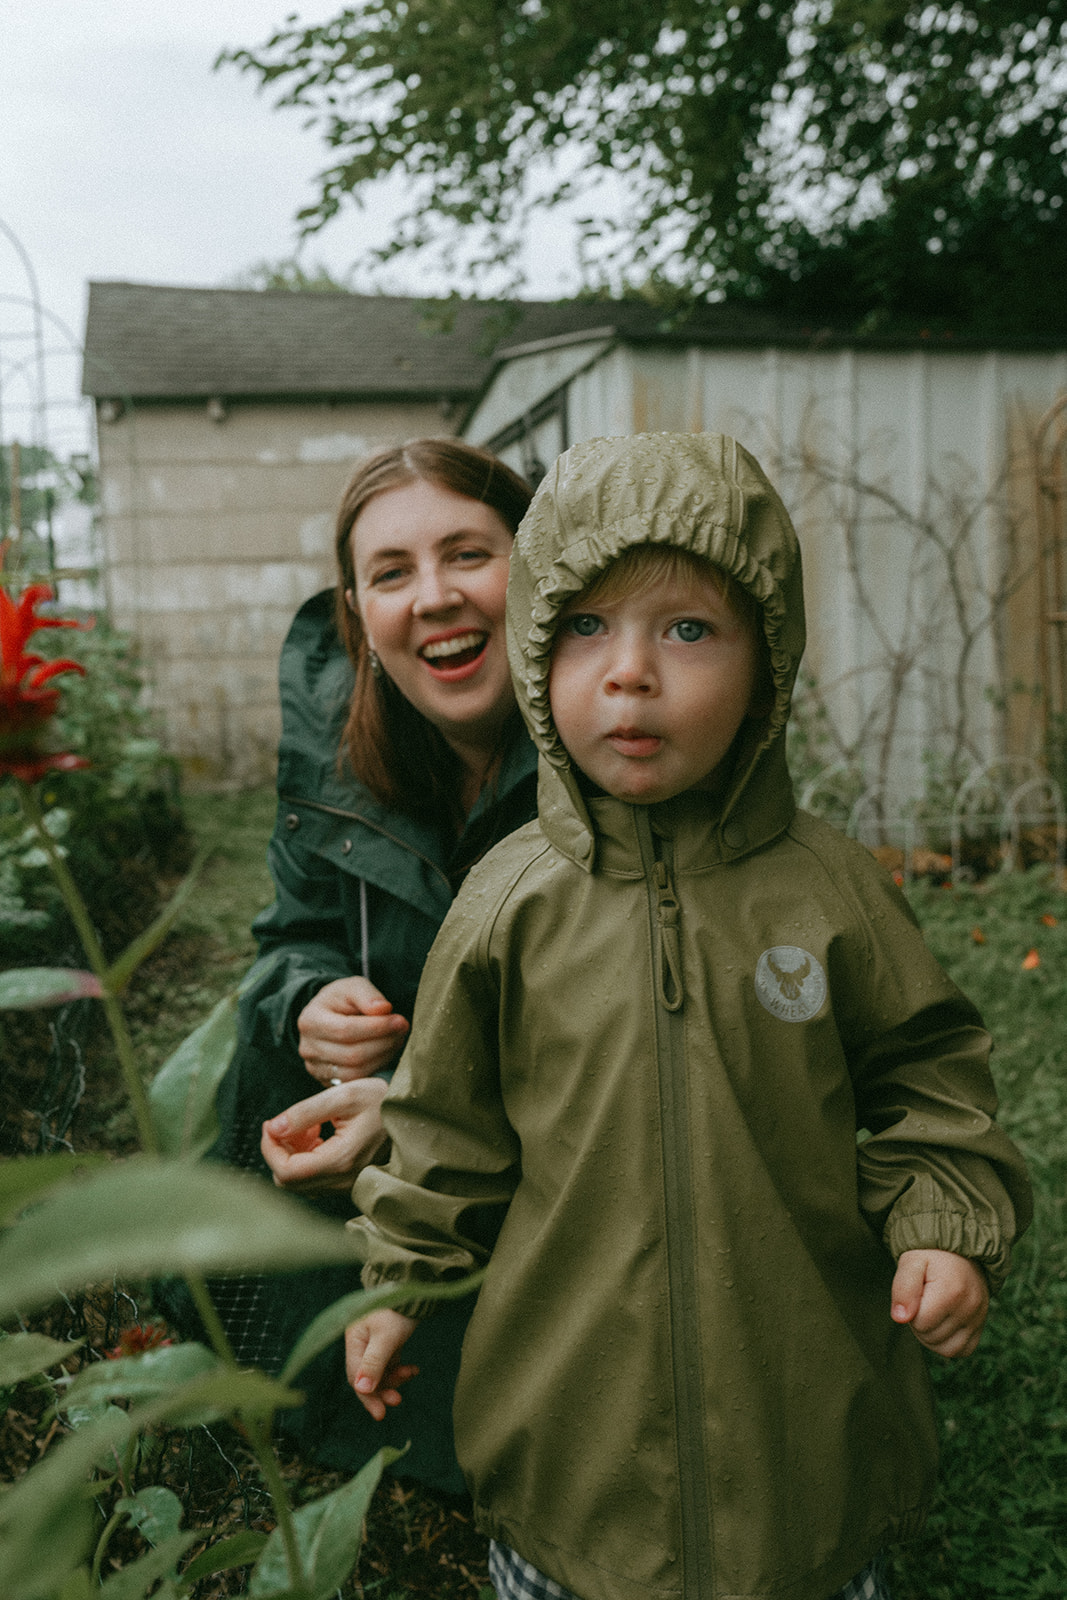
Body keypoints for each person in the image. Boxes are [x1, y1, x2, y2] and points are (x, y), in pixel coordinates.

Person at [342, 432, 1032, 1600]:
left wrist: (938, 1219)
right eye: (583, 627)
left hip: (801, 1436)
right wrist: (401, 1278)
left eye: (687, 629)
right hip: (570, 1445)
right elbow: (442, 1125)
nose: (629, 674)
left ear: (767, 659)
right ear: (532, 653)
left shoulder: (827, 889)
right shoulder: (507, 901)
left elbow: (927, 1077)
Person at [164, 437, 536, 1494]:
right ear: (356, 616)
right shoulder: (332, 757)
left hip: (546, 1135)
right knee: (264, 1057)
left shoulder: (608, 740)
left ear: (537, 564)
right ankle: (302, 1358)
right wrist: (308, 999)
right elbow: (287, 935)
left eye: (467, 553)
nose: (433, 597)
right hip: (376, 1125)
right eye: (390, 573)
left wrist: (418, 1111)